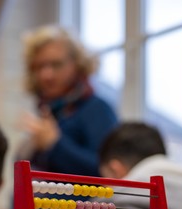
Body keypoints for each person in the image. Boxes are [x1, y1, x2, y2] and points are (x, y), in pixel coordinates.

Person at [19, 25, 118, 176]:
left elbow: (107, 172)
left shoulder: (97, 109)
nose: (47, 75)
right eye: (39, 66)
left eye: (56, 64)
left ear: (77, 64)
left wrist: (54, 145)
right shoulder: (50, 110)